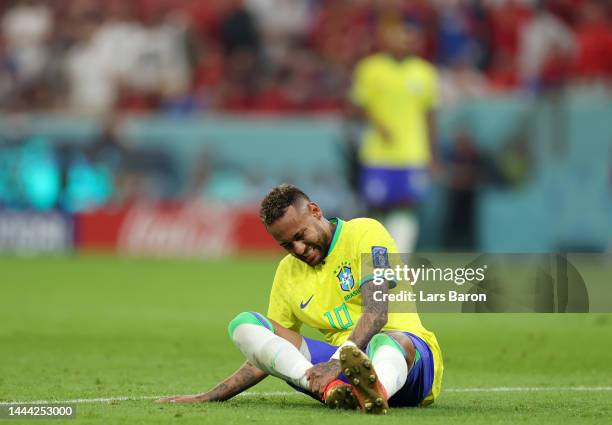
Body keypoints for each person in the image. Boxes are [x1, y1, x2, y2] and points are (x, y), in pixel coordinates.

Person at [158, 184, 443, 414]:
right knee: (244, 323)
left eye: (300, 235)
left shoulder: (365, 233)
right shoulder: (287, 272)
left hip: (408, 363)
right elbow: (268, 355)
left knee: (388, 340)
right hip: (339, 370)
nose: (299, 248)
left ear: (315, 211)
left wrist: (334, 365)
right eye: (286, 245)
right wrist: (209, 396)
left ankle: (376, 390)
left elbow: (377, 312)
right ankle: (333, 391)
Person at [349, 22, 439, 252]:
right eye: (398, 38)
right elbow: (356, 106)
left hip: (412, 153)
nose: (403, 43)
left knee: (407, 206)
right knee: (376, 207)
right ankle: (376, 259)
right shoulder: (370, 69)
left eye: (408, 39)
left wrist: (433, 154)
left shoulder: (425, 72)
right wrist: (378, 124)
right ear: (387, 41)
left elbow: (430, 116)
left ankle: (400, 259)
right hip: (377, 153)